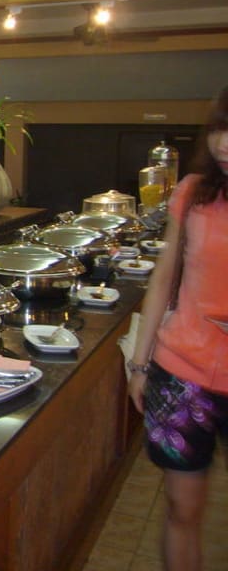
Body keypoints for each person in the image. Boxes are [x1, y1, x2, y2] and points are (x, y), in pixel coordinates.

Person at [128, 85, 228, 571]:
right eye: (219, 129)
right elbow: (164, 278)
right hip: (182, 374)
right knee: (181, 509)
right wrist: (139, 364)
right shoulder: (193, 192)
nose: (224, 143)